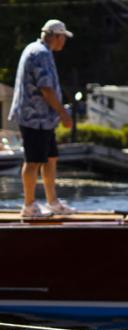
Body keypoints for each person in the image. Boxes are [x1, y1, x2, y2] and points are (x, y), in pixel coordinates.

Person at [9, 19, 74, 219]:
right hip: (34, 117)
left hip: (44, 119)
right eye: (63, 37)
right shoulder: (41, 54)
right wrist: (63, 113)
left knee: (50, 158)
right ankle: (29, 206)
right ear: (56, 36)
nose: (64, 41)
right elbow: (45, 87)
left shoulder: (39, 50)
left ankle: (52, 202)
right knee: (33, 161)